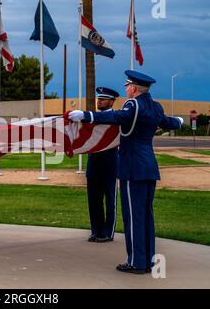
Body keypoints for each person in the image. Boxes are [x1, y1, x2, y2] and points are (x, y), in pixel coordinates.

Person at [68, 70, 183, 274]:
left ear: (134, 88)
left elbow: (117, 116)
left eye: (128, 85)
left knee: (133, 216)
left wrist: (87, 115)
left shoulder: (133, 104)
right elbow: (167, 122)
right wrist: (180, 122)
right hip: (148, 166)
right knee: (146, 215)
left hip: (132, 167)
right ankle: (147, 260)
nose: (127, 88)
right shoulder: (155, 106)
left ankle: (136, 262)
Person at [86, 87, 119, 243]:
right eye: (98, 99)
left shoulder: (116, 116)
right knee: (94, 201)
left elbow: (108, 119)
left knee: (110, 201)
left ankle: (108, 232)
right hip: (93, 164)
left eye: (103, 99)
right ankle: (96, 230)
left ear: (112, 101)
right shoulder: (94, 117)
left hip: (110, 165)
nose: (99, 101)